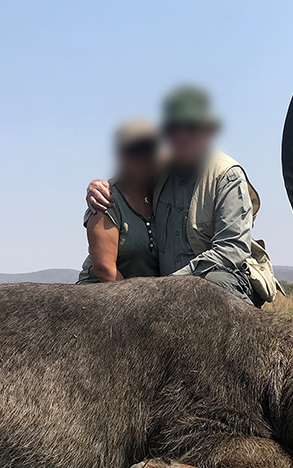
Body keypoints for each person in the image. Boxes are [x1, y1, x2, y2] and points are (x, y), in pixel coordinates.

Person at [86, 86, 279, 305]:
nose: (183, 135)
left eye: (192, 126)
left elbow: (232, 250)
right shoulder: (160, 167)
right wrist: (99, 187)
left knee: (213, 285)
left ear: (207, 131)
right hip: (169, 293)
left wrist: (172, 284)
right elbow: (131, 172)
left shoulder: (227, 175)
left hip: (217, 279)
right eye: (174, 127)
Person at [76, 120, 161, 284]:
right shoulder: (106, 201)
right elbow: (105, 271)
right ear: (119, 156)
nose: (142, 156)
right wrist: (140, 305)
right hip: (106, 298)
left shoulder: (164, 194)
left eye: (148, 148)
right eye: (133, 150)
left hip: (150, 299)